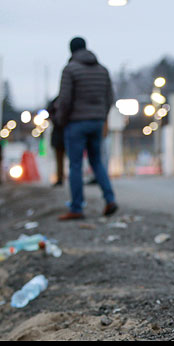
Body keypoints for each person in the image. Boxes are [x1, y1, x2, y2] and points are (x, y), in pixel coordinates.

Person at [54, 36, 118, 220]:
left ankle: (76, 207)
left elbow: (64, 99)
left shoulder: (70, 69)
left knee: (75, 165)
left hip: (76, 122)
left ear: (71, 51)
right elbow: (109, 97)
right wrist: (101, 115)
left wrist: (61, 119)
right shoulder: (102, 70)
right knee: (97, 161)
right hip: (97, 121)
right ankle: (110, 199)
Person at [47, 96, 65, 187]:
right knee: (61, 158)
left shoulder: (56, 102)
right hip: (64, 133)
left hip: (61, 133)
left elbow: (49, 110)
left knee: (60, 159)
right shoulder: (58, 101)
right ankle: (60, 177)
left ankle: (60, 177)